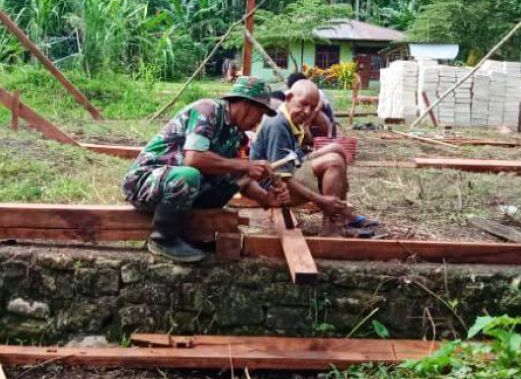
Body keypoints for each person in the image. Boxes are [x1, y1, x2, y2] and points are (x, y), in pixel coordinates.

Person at [123, 76, 280, 263]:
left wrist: (268, 198)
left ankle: (191, 233)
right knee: (189, 175)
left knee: (227, 176)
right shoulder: (208, 111)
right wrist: (246, 165)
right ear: (247, 105)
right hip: (144, 182)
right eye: (260, 114)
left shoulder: (235, 134)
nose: (259, 122)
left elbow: (236, 174)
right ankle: (162, 239)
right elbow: (194, 159)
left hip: (178, 185)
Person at [249, 79, 358, 236]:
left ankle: (340, 211)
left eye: (312, 107)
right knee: (333, 162)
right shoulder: (278, 125)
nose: (307, 111)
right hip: (271, 189)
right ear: (289, 98)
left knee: (336, 149)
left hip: (288, 171)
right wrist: (322, 201)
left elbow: (294, 158)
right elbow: (280, 177)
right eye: (303, 104)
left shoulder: (291, 119)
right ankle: (332, 226)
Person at [286, 71, 337, 138]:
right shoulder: (290, 94)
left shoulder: (316, 92)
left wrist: (305, 124)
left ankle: (326, 137)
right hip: (306, 122)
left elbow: (316, 109)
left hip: (326, 124)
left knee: (313, 113)